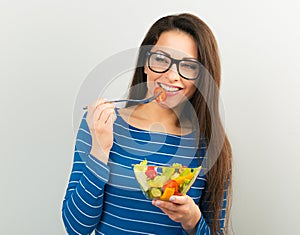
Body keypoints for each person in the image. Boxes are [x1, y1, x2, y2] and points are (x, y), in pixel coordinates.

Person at [62, 13, 232, 235]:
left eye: (188, 66)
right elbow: (76, 228)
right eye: (161, 59)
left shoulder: (210, 145)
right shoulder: (102, 125)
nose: (172, 76)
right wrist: (99, 151)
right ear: (146, 64)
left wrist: (193, 220)